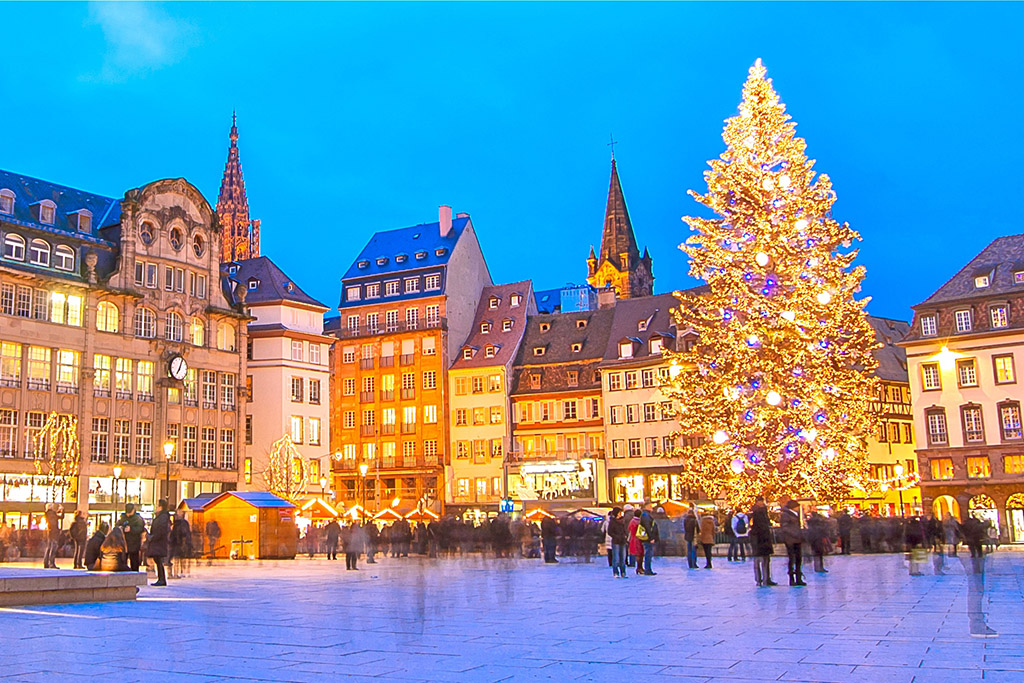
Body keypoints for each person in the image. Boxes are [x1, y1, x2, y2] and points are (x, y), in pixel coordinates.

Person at [750, 496, 777, 587]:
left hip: (761, 539)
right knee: (761, 561)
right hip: (760, 539)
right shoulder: (757, 513)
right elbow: (761, 526)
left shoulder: (761, 512)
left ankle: (765, 579)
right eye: (760, 501)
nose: (761, 503)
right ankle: (761, 579)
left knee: (764, 560)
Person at [780, 499, 806, 586]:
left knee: (799, 558)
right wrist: (796, 533)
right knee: (792, 559)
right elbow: (785, 527)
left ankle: (798, 578)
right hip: (790, 540)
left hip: (797, 539)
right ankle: (792, 579)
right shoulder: (786, 515)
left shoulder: (796, 514)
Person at [148, 499, 170, 586]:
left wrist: (153, 537)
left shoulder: (163, 517)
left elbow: (161, 530)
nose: (156, 507)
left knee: (158, 559)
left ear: (160, 507)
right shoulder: (161, 516)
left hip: (159, 541)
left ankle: (162, 579)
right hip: (157, 541)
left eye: (157, 505)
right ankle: (161, 578)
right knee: (157, 559)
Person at [119, 504, 145, 571]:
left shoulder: (138, 519)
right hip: (124, 544)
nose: (128, 514)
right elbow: (118, 526)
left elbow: (140, 529)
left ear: (133, 510)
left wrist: (131, 529)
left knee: (134, 562)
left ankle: (135, 576)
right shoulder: (123, 517)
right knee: (123, 562)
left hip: (134, 544)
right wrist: (121, 528)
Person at [169, 511, 193, 579]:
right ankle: (179, 572)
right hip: (178, 543)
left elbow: (184, 533)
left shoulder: (180, 524)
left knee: (179, 558)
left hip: (179, 543)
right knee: (178, 558)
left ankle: (180, 572)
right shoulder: (179, 523)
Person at [606, 507, 627, 578]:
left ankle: (623, 572)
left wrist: (625, 536)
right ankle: (616, 572)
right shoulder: (612, 522)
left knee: (623, 558)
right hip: (616, 541)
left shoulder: (623, 521)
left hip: (623, 541)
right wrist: (616, 536)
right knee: (616, 557)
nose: (621, 514)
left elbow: (625, 530)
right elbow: (610, 532)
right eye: (619, 512)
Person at [43, 503, 64, 569]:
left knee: (49, 547)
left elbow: (58, 517)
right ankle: (51, 563)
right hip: (53, 532)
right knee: (53, 548)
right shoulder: (52, 514)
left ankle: (46, 563)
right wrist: (61, 510)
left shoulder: (48, 514)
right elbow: (60, 517)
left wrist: (59, 511)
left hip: (50, 532)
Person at [640, 509, 659, 576]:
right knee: (648, 553)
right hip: (647, 538)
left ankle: (647, 569)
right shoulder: (646, 516)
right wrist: (651, 537)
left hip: (647, 538)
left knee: (648, 553)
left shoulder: (646, 515)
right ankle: (648, 569)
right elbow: (648, 527)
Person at [627, 507, 645, 575]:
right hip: (638, 539)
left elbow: (629, 528)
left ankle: (639, 567)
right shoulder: (639, 522)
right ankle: (639, 567)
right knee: (639, 554)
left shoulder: (632, 521)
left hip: (633, 538)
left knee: (638, 554)